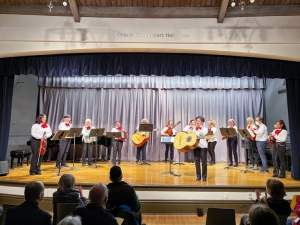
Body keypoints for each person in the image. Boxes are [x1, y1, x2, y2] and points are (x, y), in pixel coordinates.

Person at [193, 116, 208, 181]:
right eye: (196, 121)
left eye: (198, 121)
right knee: (197, 161)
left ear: (202, 122)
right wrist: (194, 130)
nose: (197, 122)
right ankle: (198, 176)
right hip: (196, 146)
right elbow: (192, 135)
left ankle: (204, 176)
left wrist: (197, 130)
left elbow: (203, 135)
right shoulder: (194, 128)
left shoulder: (205, 128)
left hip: (203, 146)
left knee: (204, 162)